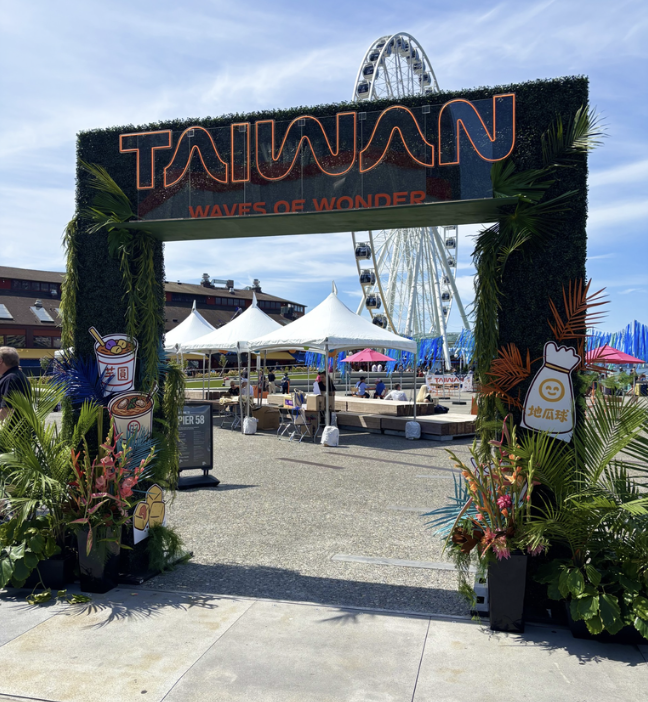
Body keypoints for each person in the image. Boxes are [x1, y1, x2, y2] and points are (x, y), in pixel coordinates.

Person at [0, 347, 31, 422]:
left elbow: (6, 410)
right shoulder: (16, 375)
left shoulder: (10, 379)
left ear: (0, 361)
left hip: (13, 431)